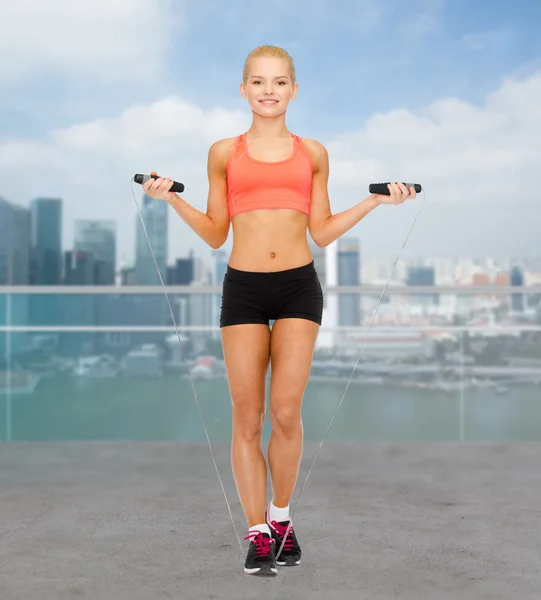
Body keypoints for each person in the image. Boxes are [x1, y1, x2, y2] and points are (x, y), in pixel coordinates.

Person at [143, 44, 416, 577]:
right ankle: (257, 533)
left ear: (294, 89)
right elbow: (217, 233)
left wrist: (376, 203)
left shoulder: (313, 153)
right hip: (243, 288)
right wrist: (171, 199)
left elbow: (321, 231)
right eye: (259, 82)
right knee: (248, 418)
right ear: (243, 90)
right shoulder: (224, 152)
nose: (269, 91)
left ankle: (282, 517)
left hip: (298, 288)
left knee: (286, 412)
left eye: (280, 82)